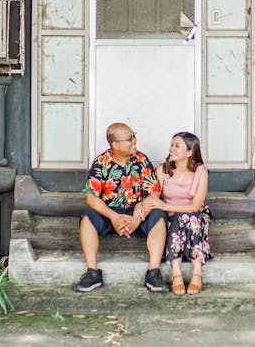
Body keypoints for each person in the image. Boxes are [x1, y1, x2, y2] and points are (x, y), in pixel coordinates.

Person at [75, 122, 168, 293]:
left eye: (134, 136)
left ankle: (154, 272)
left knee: (158, 215)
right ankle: (92, 272)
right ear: (115, 145)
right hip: (110, 214)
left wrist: (136, 218)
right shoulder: (101, 163)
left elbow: (154, 194)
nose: (135, 141)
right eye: (130, 138)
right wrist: (114, 216)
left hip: (138, 212)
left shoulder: (141, 160)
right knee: (87, 216)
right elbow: (91, 197)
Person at [145, 131, 212, 296]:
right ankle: (177, 274)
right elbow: (155, 194)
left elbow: (196, 206)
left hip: (195, 214)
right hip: (171, 215)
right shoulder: (163, 169)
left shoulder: (201, 171)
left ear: (189, 152)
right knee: (178, 219)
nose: (171, 149)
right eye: (171, 145)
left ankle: (197, 273)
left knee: (190, 217)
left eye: (177, 146)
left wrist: (165, 206)